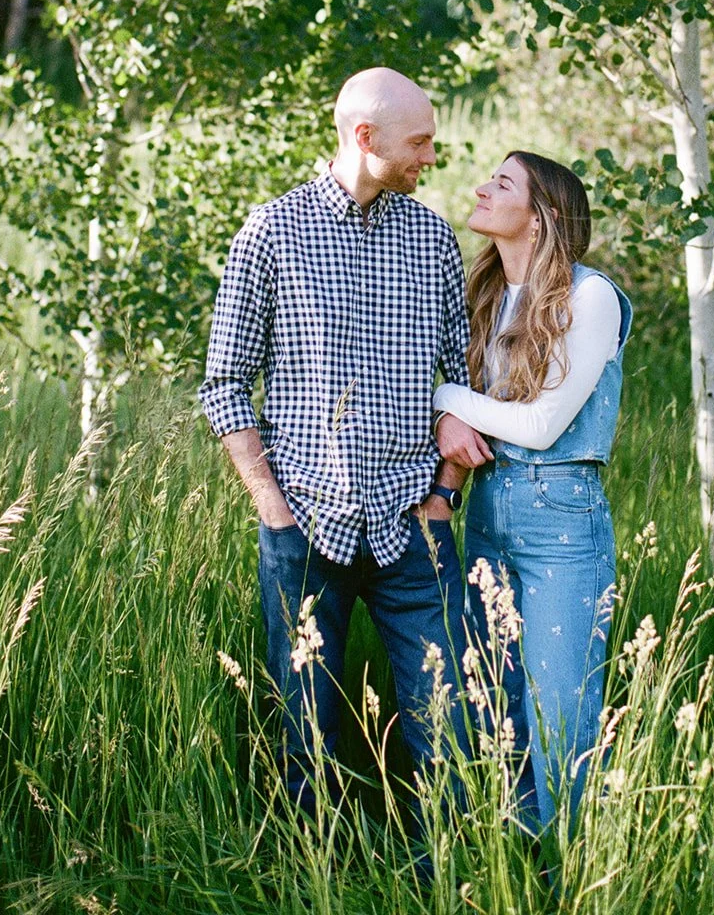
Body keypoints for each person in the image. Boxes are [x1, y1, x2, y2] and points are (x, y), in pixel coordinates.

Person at [199, 67, 488, 811]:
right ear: (365, 137)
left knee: (449, 717)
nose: (431, 157)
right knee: (305, 731)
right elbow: (224, 384)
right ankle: (313, 874)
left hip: (414, 527)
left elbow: (460, 384)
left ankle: (452, 874)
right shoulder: (271, 232)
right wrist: (273, 510)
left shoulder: (431, 237)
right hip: (304, 524)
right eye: (419, 142)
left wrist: (443, 500)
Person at [433, 152, 633, 829]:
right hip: (488, 512)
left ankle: (573, 874)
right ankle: (515, 871)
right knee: (496, 704)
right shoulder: (485, 294)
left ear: (543, 216)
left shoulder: (590, 296)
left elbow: (543, 426)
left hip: (561, 520)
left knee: (562, 715)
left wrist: (448, 400)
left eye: (503, 183)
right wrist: (449, 413)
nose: (483, 187)